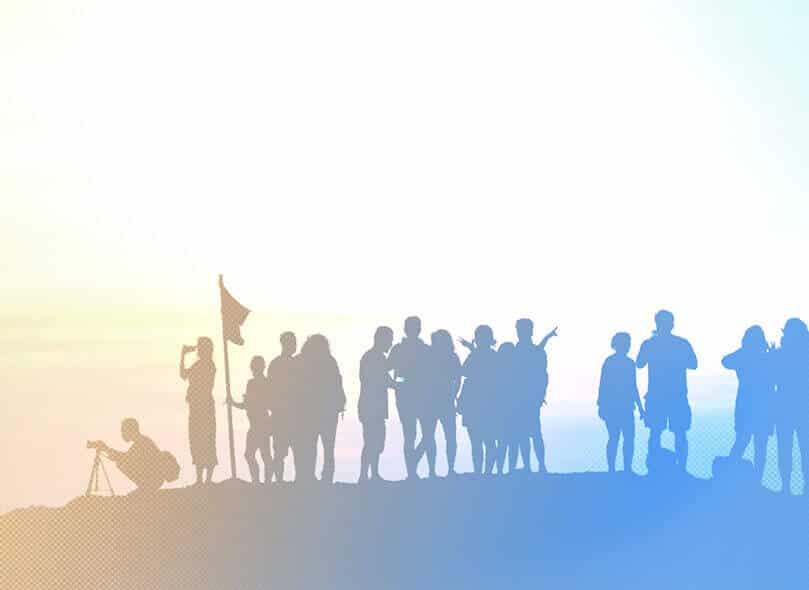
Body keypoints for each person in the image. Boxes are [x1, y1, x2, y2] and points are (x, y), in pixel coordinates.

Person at [636, 310, 698, 473]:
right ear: (672, 324)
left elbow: (639, 363)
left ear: (657, 323)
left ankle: (653, 469)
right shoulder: (682, 343)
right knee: (680, 434)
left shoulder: (649, 344)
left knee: (655, 433)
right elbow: (693, 364)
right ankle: (682, 469)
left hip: (656, 396)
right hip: (677, 395)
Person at [721, 326, 774, 483]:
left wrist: (745, 351)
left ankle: (730, 475)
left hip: (746, 406)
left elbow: (726, 361)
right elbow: (725, 361)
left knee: (743, 441)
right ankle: (757, 480)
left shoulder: (744, 357)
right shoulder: (766, 358)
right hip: (763, 407)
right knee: (760, 446)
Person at [295, 334, 346, 484]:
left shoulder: (302, 361)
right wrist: (340, 402)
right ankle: (325, 477)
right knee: (327, 447)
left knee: (311, 446)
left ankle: (311, 476)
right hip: (326, 410)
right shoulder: (329, 361)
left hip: (312, 411)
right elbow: (338, 383)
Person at [414, 329, 462, 478]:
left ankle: (445, 469)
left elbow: (457, 378)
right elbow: (457, 378)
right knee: (432, 438)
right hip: (433, 402)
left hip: (440, 401)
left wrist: (453, 394)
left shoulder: (441, 356)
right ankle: (432, 470)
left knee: (441, 438)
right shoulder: (431, 356)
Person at [389, 316, 432, 480]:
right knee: (411, 435)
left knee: (424, 435)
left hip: (420, 396)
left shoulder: (424, 349)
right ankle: (412, 473)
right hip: (407, 396)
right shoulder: (399, 349)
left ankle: (412, 466)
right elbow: (386, 368)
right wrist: (396, 384)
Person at [513, 319, 557, 473]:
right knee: (528, 434)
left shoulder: (518, 352)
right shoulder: (531, 351)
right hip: (526, 399)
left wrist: (539, 395)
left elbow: (543, 376)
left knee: (531, 434)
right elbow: (543, 376)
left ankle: (537, 465)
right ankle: (534, 465)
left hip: (526, 399)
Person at [598, 333, 644, 474]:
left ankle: (625, 469)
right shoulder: (612, 362)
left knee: (623, 438)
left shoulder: (627, 363)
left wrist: (640, 408)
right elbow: (603, 385)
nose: (628, 346)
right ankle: (615, 469)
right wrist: (601, 405)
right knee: (617, 438)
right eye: (626, 343)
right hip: (616, 407)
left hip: (623, 407)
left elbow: (633, 386)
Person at [772, 318, 809, 496]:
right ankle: (805, 488)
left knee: (785, 449)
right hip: (803, 407)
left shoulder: (780, 355)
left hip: (784, 408)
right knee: (805, 449)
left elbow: (772, 379)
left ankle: (786, 487)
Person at [458, 325, 500, 475]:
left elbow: (464, 372)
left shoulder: (478, 355)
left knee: (479, 442)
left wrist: (473, 350)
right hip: (486, 404)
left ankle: (480, 473)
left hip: (476, 404)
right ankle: (485, 473)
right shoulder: (494, 356)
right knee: (487, 442)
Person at [358, 326, 397, 482]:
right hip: (371, 406)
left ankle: (372, 474)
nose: (390, 344)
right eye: (389, 340)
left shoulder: (375, 357)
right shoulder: (373, 357)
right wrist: (401, 384)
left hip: (373, 406)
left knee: (376, 442)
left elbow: (385, 375)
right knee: (371, 442)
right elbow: (384, 379)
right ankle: (365, 475)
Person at [228, 356, 272, 484]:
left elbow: (251, 404)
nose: (254, 370)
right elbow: (247, 404)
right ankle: (258, 481)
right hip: (255, 424)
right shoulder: (253, 383)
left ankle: (263, 482)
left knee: (262, 455)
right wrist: (234, 403)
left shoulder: (262, 383)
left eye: (255, 367)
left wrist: (236, 403)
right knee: (253, 455)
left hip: (261, 423)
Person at [180, 337, 217, 485]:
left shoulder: (207, 365)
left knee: (206, 440)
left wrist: (183, 355)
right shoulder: (200, 364)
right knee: (197, 441)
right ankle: (200, 479)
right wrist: (182, 355)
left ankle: (206, 479)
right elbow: (184, 375)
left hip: (203, 406)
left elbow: (186, 376)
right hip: (196, 407)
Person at [97, 418, 168, 493]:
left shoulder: (142, 442)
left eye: (123, 431)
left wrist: (105, 448)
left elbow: (125, 458)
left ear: (130, 430)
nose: (122, 434)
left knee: (121, 463)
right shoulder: (142, 441)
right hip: (154, 480)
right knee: (121, 462)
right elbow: (127, 456)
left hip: (153, 481)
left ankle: (146, 488)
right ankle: (145, 488)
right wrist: (107, 450)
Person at [267, 332, 298, 483]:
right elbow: (270, 389)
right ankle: (279, 481)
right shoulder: (280, 364)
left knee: (292, 451)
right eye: (292, 342)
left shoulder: (279, 364)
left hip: (289, 414)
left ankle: (284, 481)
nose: (294, 345)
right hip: (283, 415)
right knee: (281, 452)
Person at [496, 341, 519, 474]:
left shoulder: (497, 370)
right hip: (511, 411)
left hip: (503, 411)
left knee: (503, 443)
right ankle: (510, 469)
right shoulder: (516, 370)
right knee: (511, 443)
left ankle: (501, 470)